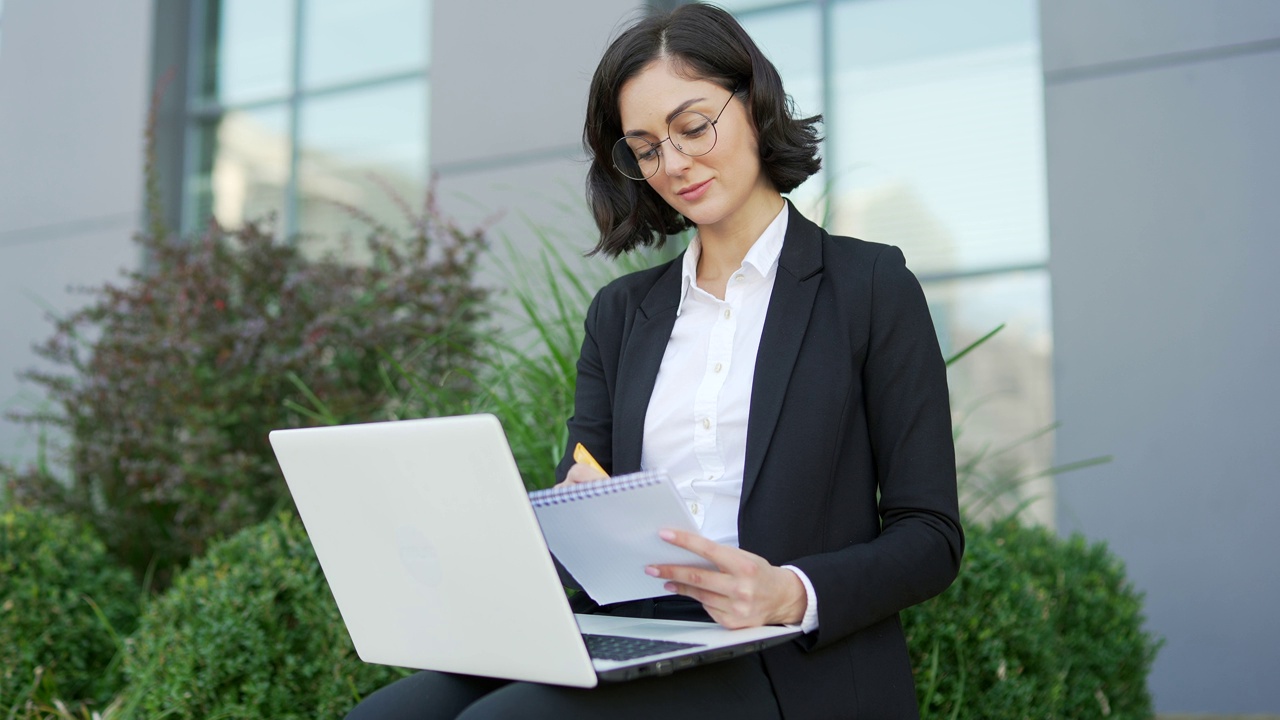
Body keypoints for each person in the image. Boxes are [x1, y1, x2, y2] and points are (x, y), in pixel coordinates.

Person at [346, 4, 962, 718]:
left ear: (754, 102)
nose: (673, 165)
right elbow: (583, 495)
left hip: (780, 651)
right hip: (637, 630)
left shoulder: (869, 288)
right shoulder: (622, 314)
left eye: (693, 126)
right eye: (645, 148)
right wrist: (574, 508)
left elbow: (930, 535)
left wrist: (790, 589)